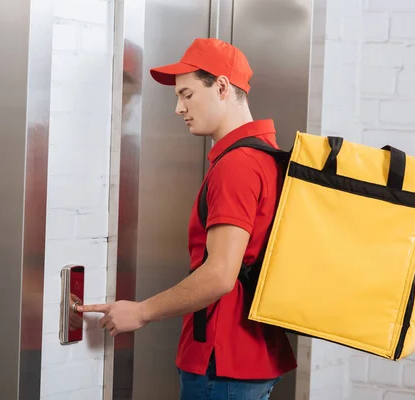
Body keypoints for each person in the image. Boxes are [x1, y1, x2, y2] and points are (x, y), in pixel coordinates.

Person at [77, 37, 297, 399]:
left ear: (222, 87)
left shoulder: (238, 166)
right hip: (251, 356)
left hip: (222, 360)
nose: (179, 108)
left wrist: (141, 312)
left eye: (187, 94)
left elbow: (220, 275)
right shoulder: (265, 156)